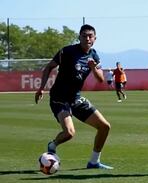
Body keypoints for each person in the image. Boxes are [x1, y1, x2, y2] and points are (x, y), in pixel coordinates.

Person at [35, 24, 113, 169]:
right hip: (59, 98)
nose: (87, 38)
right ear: (79, 37)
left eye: (90, 36)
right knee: (69, 133)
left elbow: (100, 79)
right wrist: (41, 88)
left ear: (95, 39)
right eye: (84, 36)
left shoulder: (94, 55)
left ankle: (94, 162)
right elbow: (49, 67)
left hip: (75, 98)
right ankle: (52, 145)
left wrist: (93, 67)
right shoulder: (67, 51)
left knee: (105, 127)